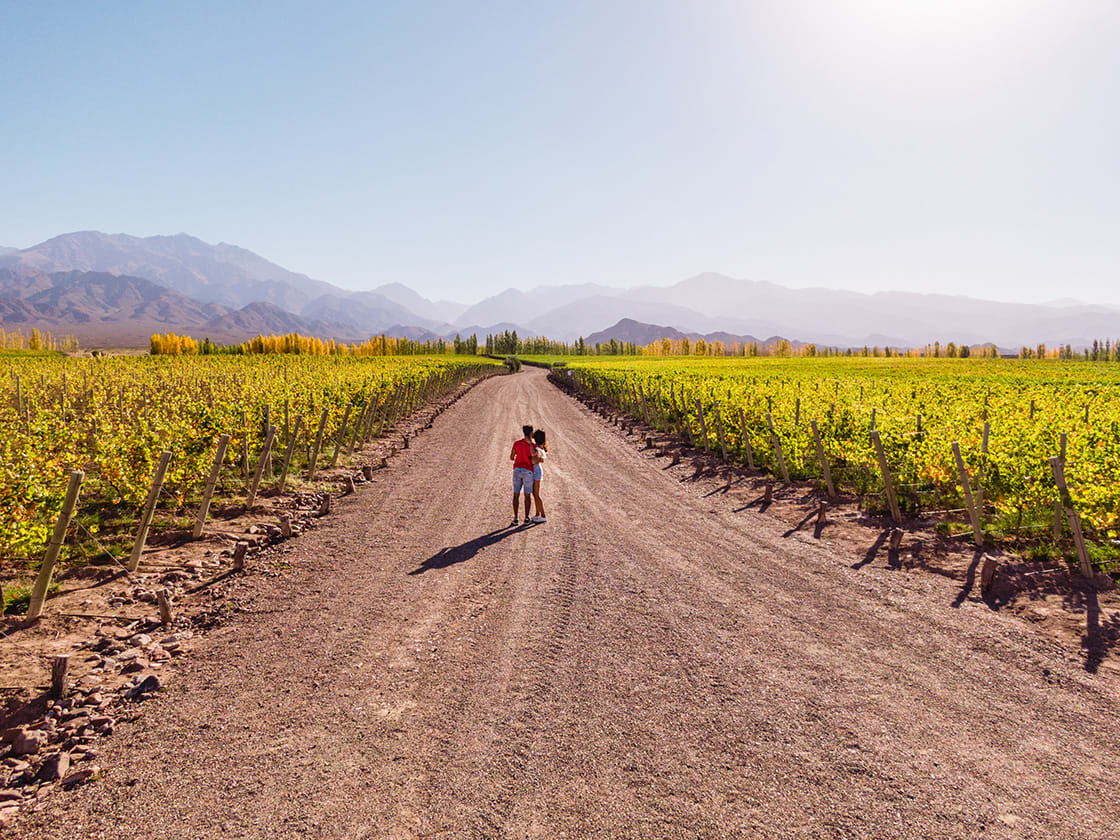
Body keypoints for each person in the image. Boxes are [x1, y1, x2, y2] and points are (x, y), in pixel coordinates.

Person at [510, 424, 535, 525]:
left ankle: (516, 518)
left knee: (516, 494)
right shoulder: (532, 445)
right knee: (527, 495)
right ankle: (526, 517)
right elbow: (534, 456)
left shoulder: (517, 443)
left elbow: (512, 457)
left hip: (517, 470)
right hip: (527, 471)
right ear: (530, 433)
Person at [529, 429, 548, 524]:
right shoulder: (540, 447)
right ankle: (537, 514)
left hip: (536, 471)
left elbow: (534, 461)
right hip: (536, 471)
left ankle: (543, 515)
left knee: (536, 494)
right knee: (534, 493)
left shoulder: (537, 449)